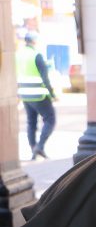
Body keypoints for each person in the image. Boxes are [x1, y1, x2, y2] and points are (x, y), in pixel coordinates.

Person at [16, 31, 56, 160]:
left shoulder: (18, 55)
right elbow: (45, 78)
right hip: (39, 95)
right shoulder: (36, 55)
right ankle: (40, 146)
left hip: (25, 95)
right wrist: (52, 93)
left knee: (31, 122)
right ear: (34, 41)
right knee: (50, 119)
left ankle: (33, 148)